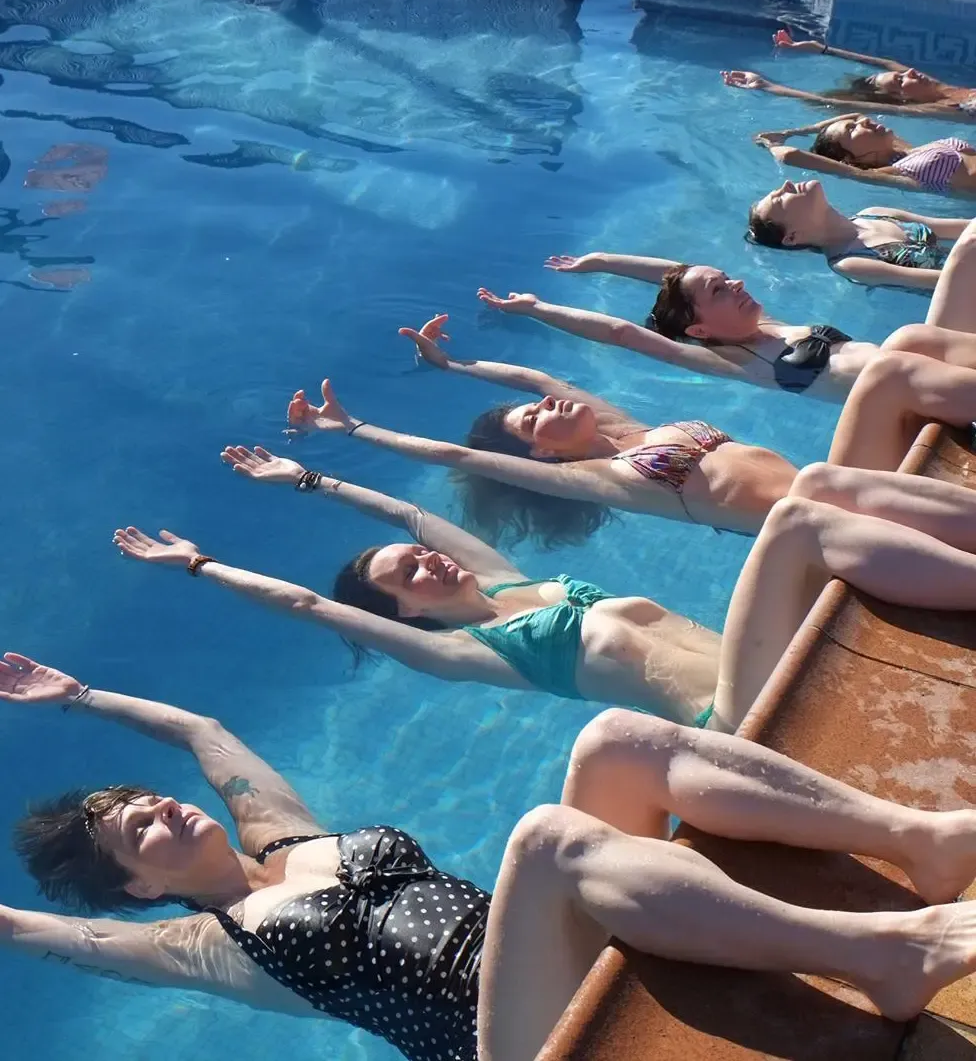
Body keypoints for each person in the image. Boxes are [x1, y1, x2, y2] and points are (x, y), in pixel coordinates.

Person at [7, 655, 976, 1061]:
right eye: (134, 830)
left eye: (142, 802)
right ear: (137, 886)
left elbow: (200, 731)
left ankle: (922, 843)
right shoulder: (203, 944)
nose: (157, 812)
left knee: (613, 743)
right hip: (497, 1039)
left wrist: (81, 696)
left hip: (548, 947)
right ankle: (883, 953)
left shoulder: (285, 837)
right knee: (545, 838)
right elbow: (38, 932)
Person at [116, 452, 976, 732]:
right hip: (737, 715)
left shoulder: (510, 584)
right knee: (795, 525)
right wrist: (200, 565)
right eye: (408, 575)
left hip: (780, 669)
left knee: (819, 484)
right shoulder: (461, 652)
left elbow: (411, 509)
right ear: (405, 614)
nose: (428, 563)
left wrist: (310, 480)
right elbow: (309, 604)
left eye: (414, 557)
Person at [279, 284, 976, 545]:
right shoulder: (606, 476)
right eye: (532, 422)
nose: (546, 404)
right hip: (823, 517)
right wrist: (354, 429)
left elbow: (539, 370)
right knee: (864, 408)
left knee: (900, 355)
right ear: (543, 460)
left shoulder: (628, 431)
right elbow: (458, 457)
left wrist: (458, 366)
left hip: (844, 493)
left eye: (532, 409)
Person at [489, 220, 976, 402]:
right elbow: (619, 331)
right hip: (904, 391)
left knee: (911, 337)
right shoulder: (729, 358)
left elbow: (679, 271)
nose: (737, 284)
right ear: (699, 328)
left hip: (921, 367)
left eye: (727, 278)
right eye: (721, 290)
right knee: (900, 352)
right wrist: (537, 308)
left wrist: (600, 261)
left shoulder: (770, 324)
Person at [747, 178, 967, 289]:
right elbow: (938, 282)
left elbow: (950, 227)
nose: (786, 184)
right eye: (779, 199)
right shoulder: (849, 262)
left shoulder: (875, 213)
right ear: (792, 237)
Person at [748, 109, 976, 196]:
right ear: (850, 158)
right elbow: (790, 156)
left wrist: (793, 131)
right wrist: (772, 144)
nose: (864, 121)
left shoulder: (906, 150)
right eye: (852, 131)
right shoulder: (896, 173)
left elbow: (855, 114)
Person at [759, 29, 976, 118]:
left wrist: (823, 49)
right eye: (901, 80)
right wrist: (769, 87)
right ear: (902, 97)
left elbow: (890, 64)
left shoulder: (943, 89)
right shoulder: (940, 108)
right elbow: (845, 105)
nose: (909, 71)